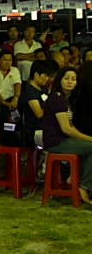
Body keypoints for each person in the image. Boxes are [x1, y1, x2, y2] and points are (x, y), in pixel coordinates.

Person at [41, 67, 92, 204]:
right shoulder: (58, 98)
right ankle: (83, 186)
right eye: (66, 78)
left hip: (63, 139)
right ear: (60, 80)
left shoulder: (65, 98)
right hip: (56, 141)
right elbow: (66, 129)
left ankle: (75, 178)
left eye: (73, 79)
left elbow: (70, 127)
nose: (70, 82)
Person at [18, 60, 52, 148]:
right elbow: (39, 114)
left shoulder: (43, 88)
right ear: (36, 74)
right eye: (45, 76)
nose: (47, 78)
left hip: (46, 125)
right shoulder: (29, 91)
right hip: (35, 130)